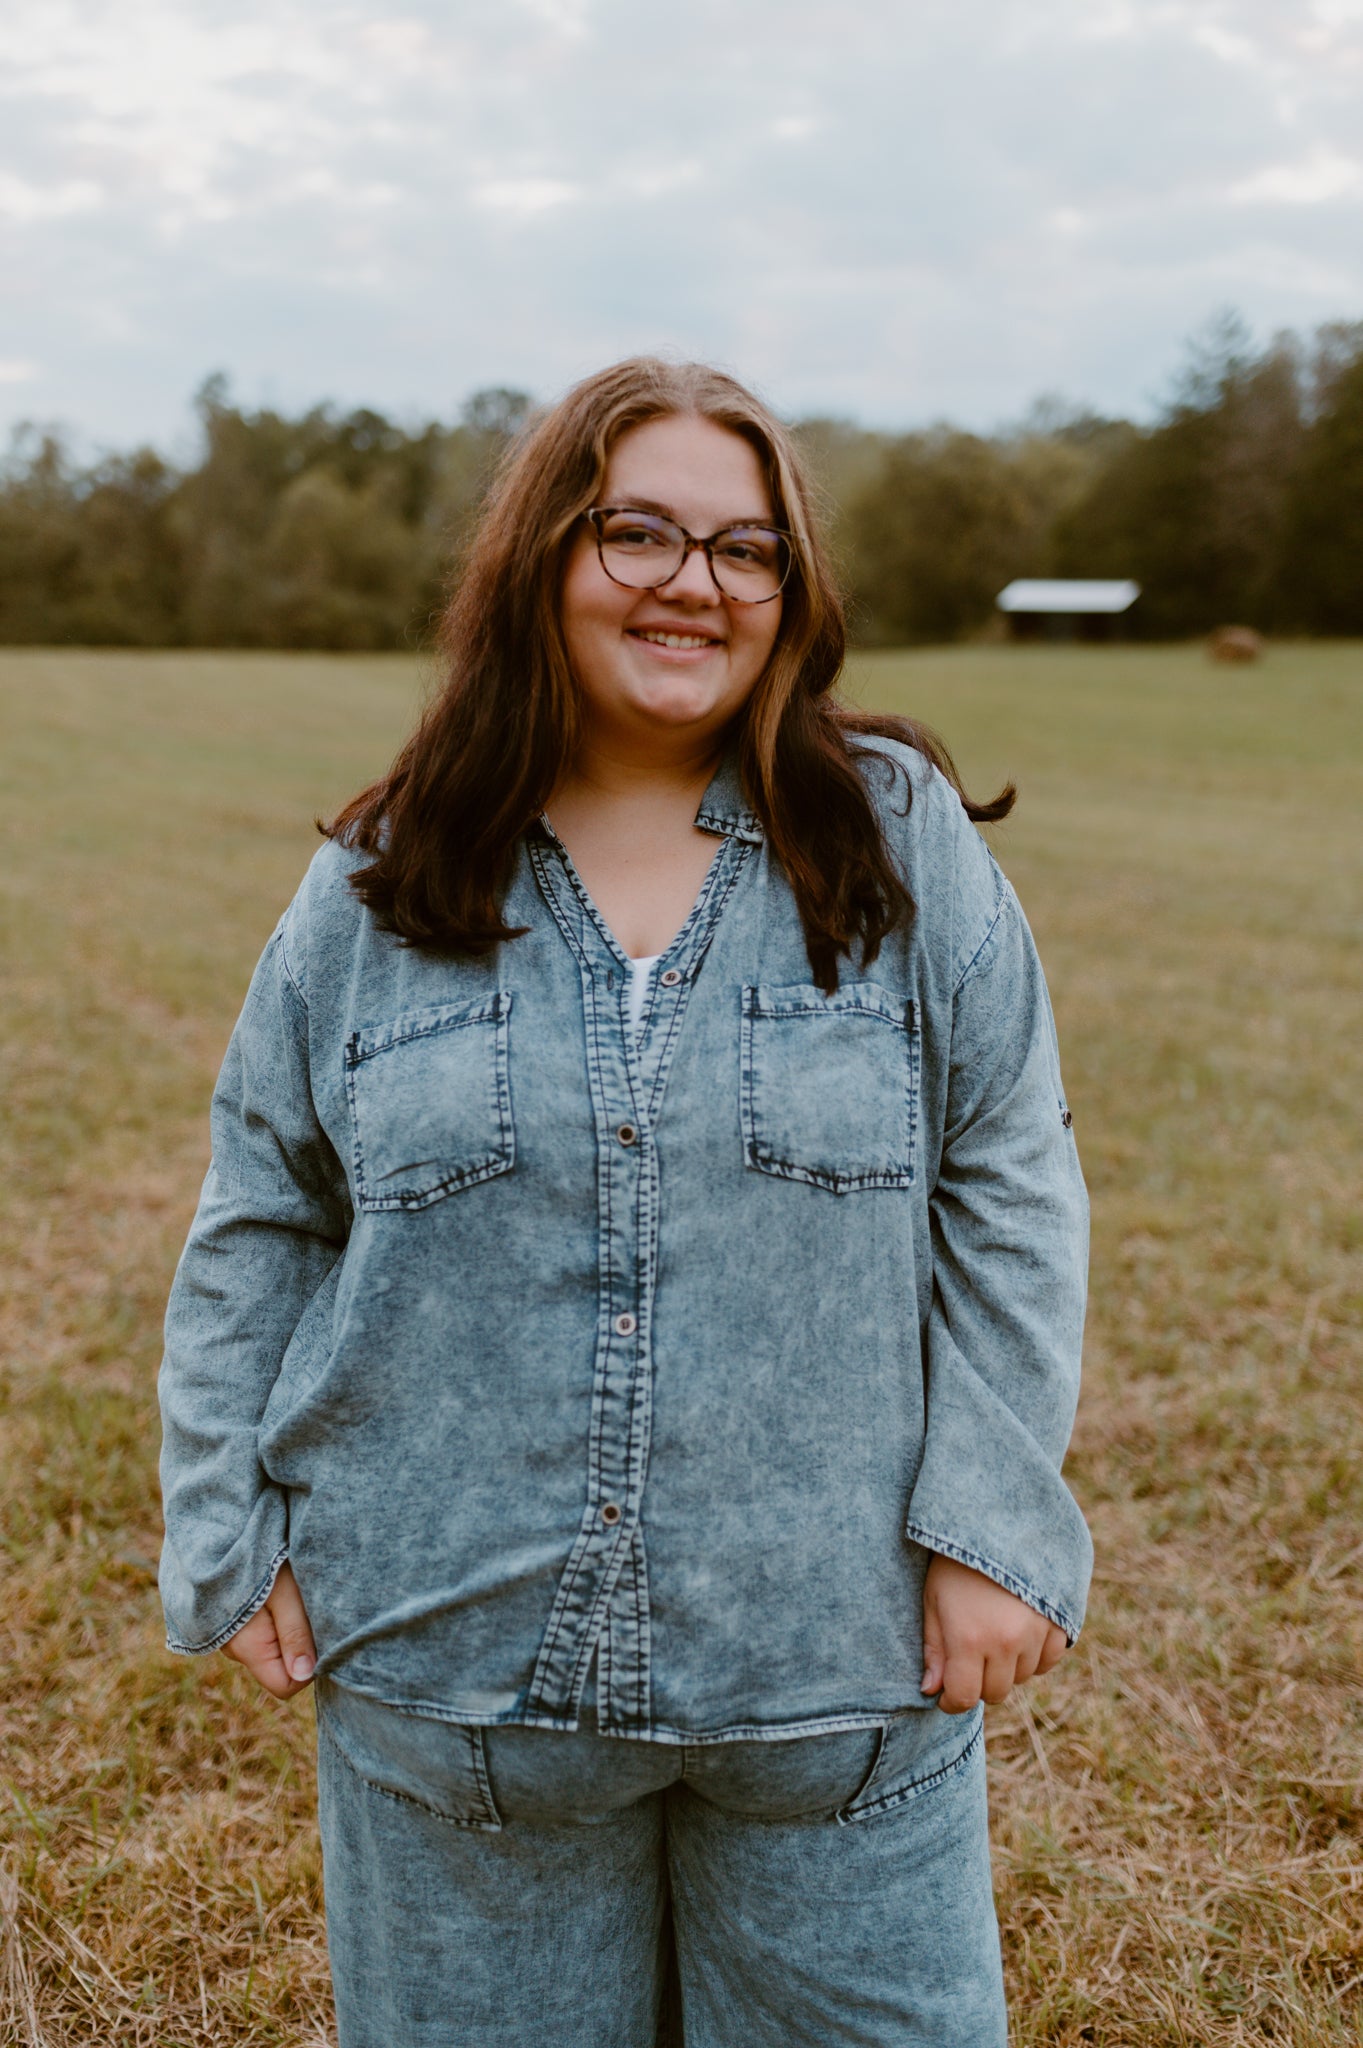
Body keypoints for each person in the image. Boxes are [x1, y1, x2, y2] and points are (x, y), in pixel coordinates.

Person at [158, 357, 1092, 2047]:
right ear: (545, 558)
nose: (695, 584)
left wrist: (995, 1525)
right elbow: (264, 1207)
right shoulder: (382, 875)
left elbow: (1010, 1170)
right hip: (456, 1695)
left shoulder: (898, 844)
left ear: (792, 598)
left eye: (748, 552)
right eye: (639, 532)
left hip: (841, 1680)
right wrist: (223, 1529)